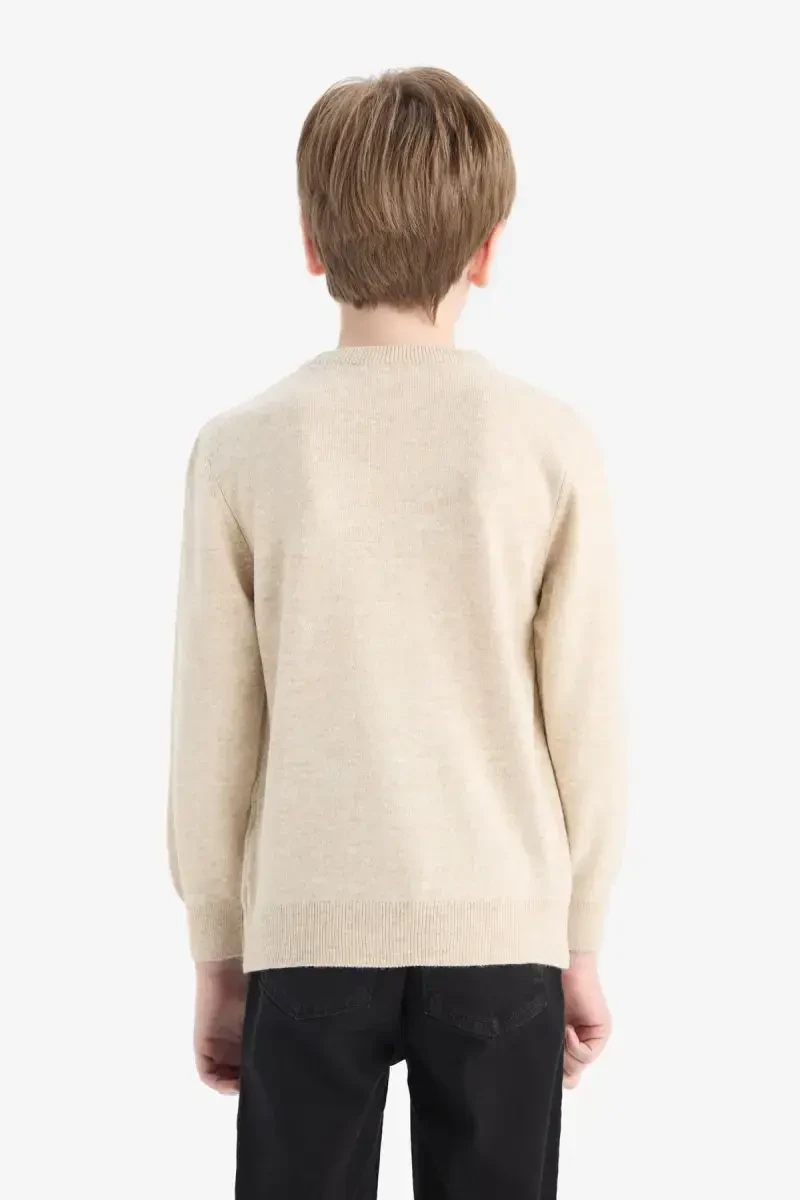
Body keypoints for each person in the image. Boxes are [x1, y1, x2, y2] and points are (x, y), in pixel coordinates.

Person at [168, 66, 625, 1200]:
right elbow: (586, 719)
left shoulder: (241, 448)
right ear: (487, 250)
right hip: (503, 928)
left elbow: (213, 726)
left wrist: (218, 953)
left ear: (309, 241)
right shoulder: (548, 443)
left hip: (306, 933)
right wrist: (577, 936)